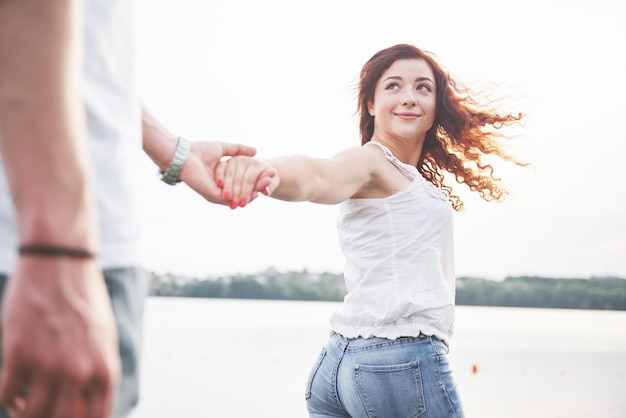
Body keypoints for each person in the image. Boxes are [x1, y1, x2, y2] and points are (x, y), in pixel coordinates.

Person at [216, 43, 526, 418]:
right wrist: (266, 170)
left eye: (422, 88)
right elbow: (317, 175)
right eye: (393, 86)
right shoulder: (370, 160)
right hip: (396, 361)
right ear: (372, 104)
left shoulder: (405, 176)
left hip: (340, 365)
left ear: (436, 107)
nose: (409, 97)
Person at [0, 1, 272, 418]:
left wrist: (174, 153)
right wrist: (54, 245)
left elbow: (89, 57)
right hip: (44, 256)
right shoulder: (53, 252)